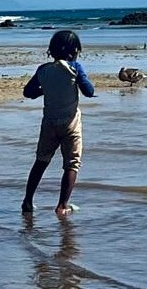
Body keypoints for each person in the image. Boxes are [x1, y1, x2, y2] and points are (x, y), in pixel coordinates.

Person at [21, 30, 95, 216]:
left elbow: (28, 92)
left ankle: (28, 201)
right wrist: (79, 80)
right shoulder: (75, 68)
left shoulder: (43, 70)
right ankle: (62, 205)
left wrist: (44, 90)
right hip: (71, 124)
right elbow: (89, 91)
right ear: (74, 51)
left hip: (49, 123)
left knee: (41, 160)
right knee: (72, 164)